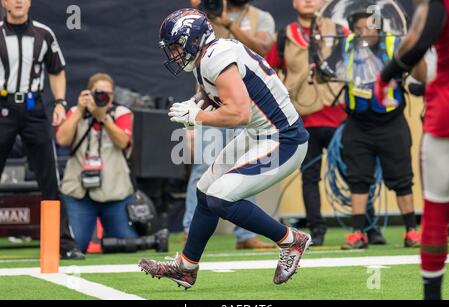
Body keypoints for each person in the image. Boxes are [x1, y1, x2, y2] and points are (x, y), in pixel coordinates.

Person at [139, 9, 311, 289]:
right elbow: (218, 95)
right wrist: (198, 104)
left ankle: (291, 240)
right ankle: (186, 267)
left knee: (221, 198)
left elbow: (239, 114)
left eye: (175, 46)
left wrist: (196, 116)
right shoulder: (208, 55)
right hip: (259, 134)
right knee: (206, 191)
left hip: (284, 139)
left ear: (193, 39)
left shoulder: (216, 57)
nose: (173, 54)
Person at [186, 0, 276, 249]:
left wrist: (228, 24)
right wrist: (206, 10)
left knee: (248, 165)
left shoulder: (261, 17)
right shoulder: (205, 15)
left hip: (250, 105)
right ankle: (188, 229)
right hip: (213, 101)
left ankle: (245, 235)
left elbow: (263, 47)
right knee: (205, 166)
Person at [375, 0, 449, 300]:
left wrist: (386, 75)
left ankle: (431, 295)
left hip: (446, 113)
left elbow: (420, 40)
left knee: (436, 209)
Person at [0, 0, 83, 259]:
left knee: (50, 180)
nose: (18, 1)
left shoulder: (43, 33)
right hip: (2, 108)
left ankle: (65, 244)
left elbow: (57, 70)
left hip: (34, 110)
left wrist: (60, 102)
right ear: (3, 2)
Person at [339, 3, 426, 249]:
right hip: (357, 123)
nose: (366, 31)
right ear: (353, 29)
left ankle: (411, 231)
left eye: (371, 25)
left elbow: (421, 75)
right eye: (360, 27)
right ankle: (358, 233)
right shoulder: (345, 45)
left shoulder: (396, 43)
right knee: (357, 178)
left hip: (391, 122)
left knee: (401, 178)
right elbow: (328, 72)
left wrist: (417, 47)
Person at [56, 73, 138, 253]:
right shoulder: (74, 112)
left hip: (115, 194)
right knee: (74, 247)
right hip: (79, 194)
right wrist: (79, 110)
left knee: (128, 245)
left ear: (113, 96)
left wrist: (103, 117)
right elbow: (61, 140)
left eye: (107, 93)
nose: (103, 97)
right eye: (98, 93)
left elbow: (123, 142)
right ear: (88, 93)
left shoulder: (121, 113)